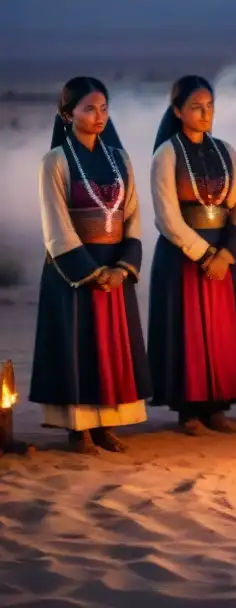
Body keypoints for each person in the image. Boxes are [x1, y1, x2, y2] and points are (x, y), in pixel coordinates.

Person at [29, 77, 152, 454]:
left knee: (111, 347)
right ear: (67, 115)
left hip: (114, 267)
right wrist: (91, 272)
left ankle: (106, 425)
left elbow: (132, 216)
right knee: (78, 345)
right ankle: (78, 429)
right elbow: (56, 226)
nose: (98, 116)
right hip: (75, 272)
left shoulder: (121, 158)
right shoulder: (55, 161)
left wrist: (122, 267)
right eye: (88, 109)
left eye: (103, 108)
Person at [147, 75, 236, 435]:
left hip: (223, 256)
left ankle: (218, 409)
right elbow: (166, 217)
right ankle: (188, 412)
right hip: (183, 258)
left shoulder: (226, 151)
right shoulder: (166, 153)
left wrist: (227, 254)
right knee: (187, 333)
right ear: (178, 111)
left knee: (221, 333)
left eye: (209, 105)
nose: (205, 112)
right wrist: (204, 253)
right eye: (196, 106)